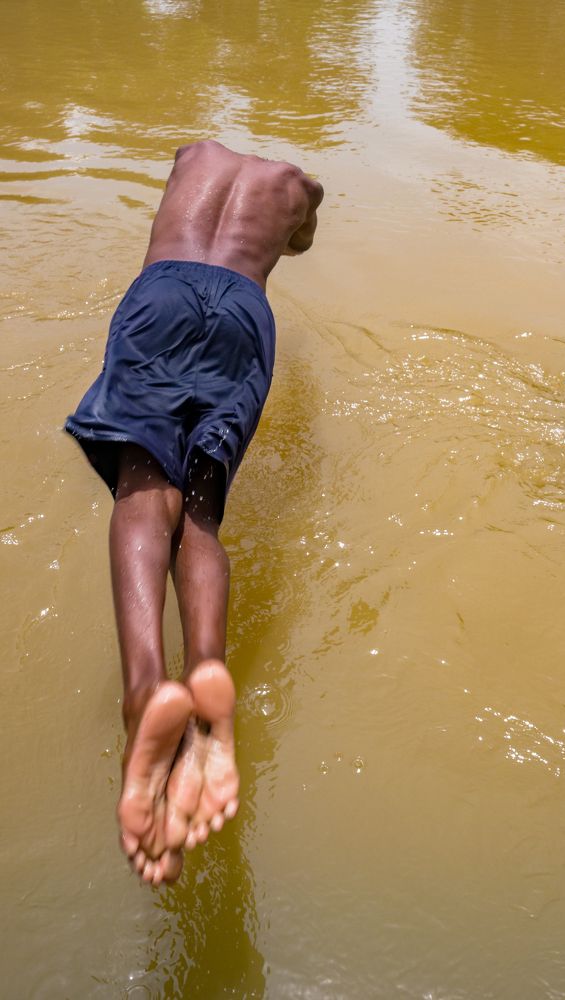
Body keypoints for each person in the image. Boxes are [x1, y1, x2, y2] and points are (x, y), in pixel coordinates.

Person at [65, 139, 324, 885]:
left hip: (161, 292)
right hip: (244, 307)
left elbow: (178, 203)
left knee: (144, 488)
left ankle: (144, 685)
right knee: (201, 512)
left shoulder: (192, 153)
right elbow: (298, 242)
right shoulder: (299, 184)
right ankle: (206, 668)